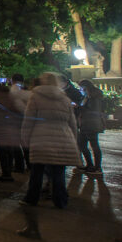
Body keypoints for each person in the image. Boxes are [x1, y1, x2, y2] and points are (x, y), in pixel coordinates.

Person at [21, 72, 80, 209]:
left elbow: (29, 120)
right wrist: (73, 140)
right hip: (62, 138)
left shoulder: (35, 97)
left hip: (41, 138)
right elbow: (72, 123)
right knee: (58, 172)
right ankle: (60, 201)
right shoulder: (64, 98)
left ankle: (32, 198)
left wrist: (25, 137)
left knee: (37, 172)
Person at [76, 79, 106, 175]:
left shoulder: (94, 97)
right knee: (81, 144)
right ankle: (90, 165)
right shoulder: (86, 96)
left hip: (92, 124)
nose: (81, 90)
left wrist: (78, 107)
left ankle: (97, 167)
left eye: (82, 88)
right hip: (85, 124)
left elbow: (91, 109)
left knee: (94, 145)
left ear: (86, 87)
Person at [7, 73, 31, 171]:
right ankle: (29, 165)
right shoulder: (27, 90)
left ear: (12, 80)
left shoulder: (13, 90)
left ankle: (19, 165)